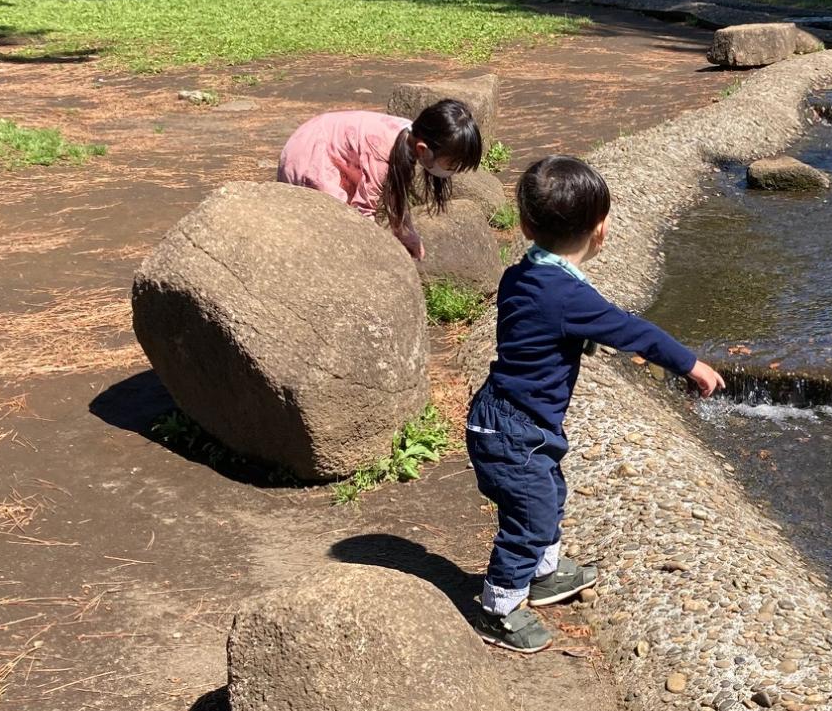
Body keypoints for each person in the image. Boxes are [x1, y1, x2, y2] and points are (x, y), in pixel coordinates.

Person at [466, 155, 724, 652]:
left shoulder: (522, 275)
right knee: (530, 517)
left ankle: (543, 572)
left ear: (524, 224)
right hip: (515, 429)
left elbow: (537, 331)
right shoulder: (569, 298)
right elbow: (636, 332)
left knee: (549, 494)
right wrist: (691, 365)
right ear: (600, 231)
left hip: (511, 420)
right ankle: (498, 607)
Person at [275, 99, 482, 258]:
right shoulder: (383, 153)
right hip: (309, 152)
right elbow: (363, 210)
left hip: (328, 146)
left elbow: (394, 192)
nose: (453, 172)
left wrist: (406, 234)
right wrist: (376, 254)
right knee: (338, 219)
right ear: (423, 150)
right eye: (452, 166)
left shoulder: (409, 135)